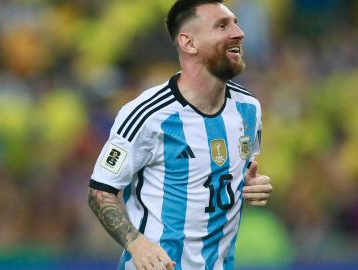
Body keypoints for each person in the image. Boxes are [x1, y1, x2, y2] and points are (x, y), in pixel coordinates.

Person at [87, 0, 272, 269]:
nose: (238, 32)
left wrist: (251, 186)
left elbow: (230, 172)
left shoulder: (248, 108)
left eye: (236, 23)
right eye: (222, 26)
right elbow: (100, 191)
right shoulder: (147, 114)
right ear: (189, 43)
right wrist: (136, 243)